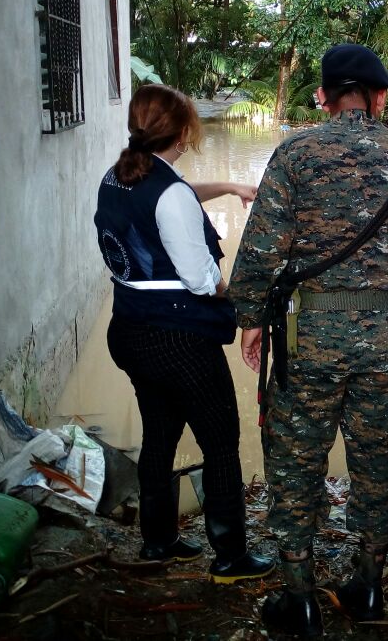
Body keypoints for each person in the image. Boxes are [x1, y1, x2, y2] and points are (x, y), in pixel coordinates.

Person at [228, 44, 388, 637]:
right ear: (379, 98)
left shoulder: (296, 154)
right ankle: (370, 587)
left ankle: (300, 599)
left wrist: (251, 317)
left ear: (325, 96)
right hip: (384, 345)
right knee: (374, 461)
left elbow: (259, 249)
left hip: (309, 344)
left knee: (296, 462)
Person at [93, 83, 274, 584]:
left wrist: (229, 187)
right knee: (220, 443)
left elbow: (172, 198)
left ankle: (158, 541)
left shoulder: (116, 177)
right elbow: (199, 279)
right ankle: (231, 557)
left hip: (130, 331)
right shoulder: (166, 192)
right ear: (184, 131)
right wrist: (236, 293)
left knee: (159, 433)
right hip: (178, 341)